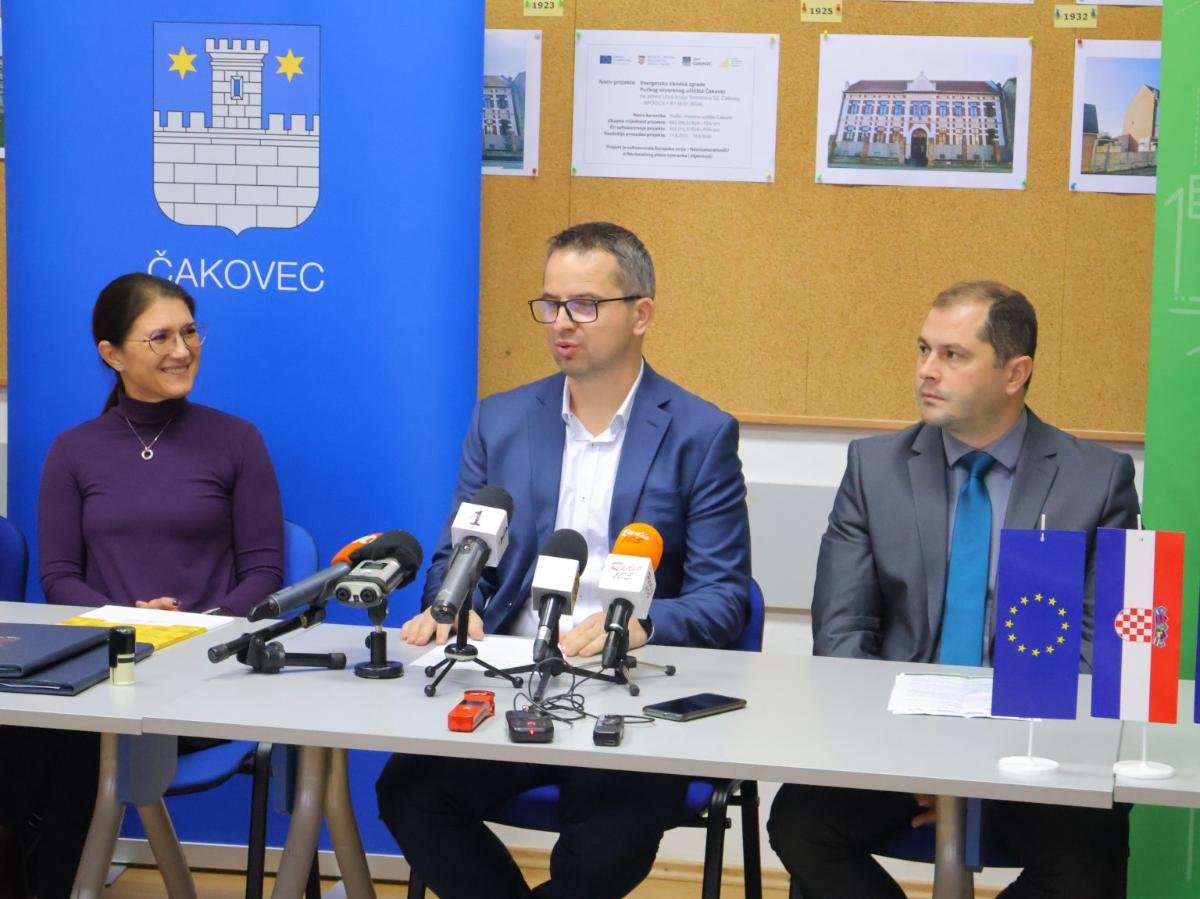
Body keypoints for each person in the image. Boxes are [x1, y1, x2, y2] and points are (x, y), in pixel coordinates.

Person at [376, 222, 752, 899]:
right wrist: (454, 607)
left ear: (641, 314)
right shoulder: (500, 419)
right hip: (509, 678)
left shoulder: (700, 433)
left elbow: (724, 599)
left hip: (630, 691)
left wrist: (641, 625)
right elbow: (459, 556)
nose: (561, 322)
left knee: (605, 847)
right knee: (409, 791)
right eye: (550, 304)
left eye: (584, 304)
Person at [767, 281, 1139, 898]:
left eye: (953, 355)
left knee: (1088, 854)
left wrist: (981, 771)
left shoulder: (1095, 480)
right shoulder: (873, 469)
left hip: (1032, 747)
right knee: (801, 824)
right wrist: (919, 761)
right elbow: (842, 634)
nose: (926, 371)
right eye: (923, 350)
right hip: (897, 740)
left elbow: (1096, 652)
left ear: (1015, 372)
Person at [0, 272, 285, 899]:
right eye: (160, 337)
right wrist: (127, 621)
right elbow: (58, 578)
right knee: (27, 739)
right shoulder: (73, 450)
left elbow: (265, 573)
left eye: (190, 332)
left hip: (204, 674)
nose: (182, 350)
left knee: (72, 749)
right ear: (112, 354)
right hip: (100, 671)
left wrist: (192, 628)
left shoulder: (237, 440)